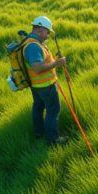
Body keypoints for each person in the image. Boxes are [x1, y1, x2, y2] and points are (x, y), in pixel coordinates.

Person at [22, 16, 69, 146]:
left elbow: (41, 62)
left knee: (38, 107)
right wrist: (56, 64)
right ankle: (53, 139)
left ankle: (40, 133)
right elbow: (37, 68)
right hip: (45, 85)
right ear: (41, 29)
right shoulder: (33, 46)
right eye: (47, 32)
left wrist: (54, 61)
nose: (47, 35)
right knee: (53, 110)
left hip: (36, 85)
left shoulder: (31, 41)